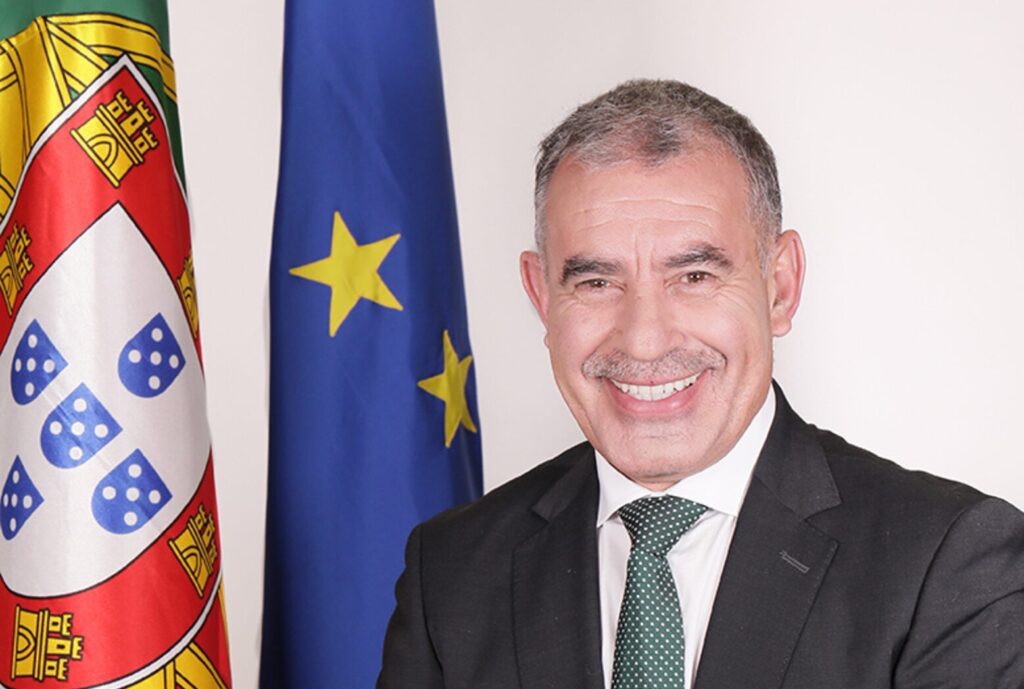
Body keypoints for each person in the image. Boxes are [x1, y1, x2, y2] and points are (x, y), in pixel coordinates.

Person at [377, 80, 1024, 688]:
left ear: (780, 286)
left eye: (694, 277)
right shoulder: (452, 571)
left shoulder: (946, 565)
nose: (644, 340)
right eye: (596, 282)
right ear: (542, 296)